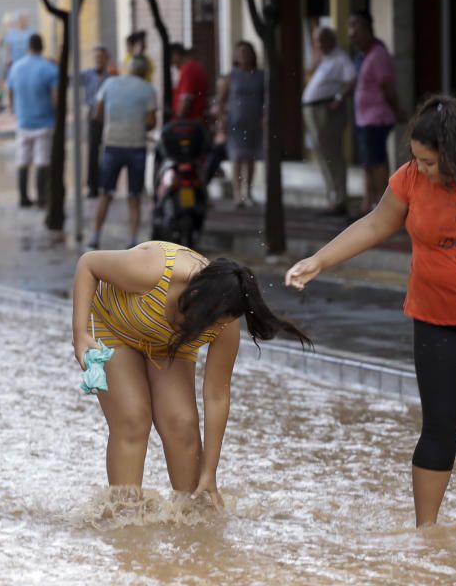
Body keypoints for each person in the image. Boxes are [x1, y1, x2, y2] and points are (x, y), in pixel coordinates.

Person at [285, 96, 456, 528]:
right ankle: (427, 532)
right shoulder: (411, 179)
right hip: (437, 322)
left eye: (431, 162)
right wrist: (319, 260)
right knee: (440, 426)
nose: (422, 169)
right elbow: (375, 224)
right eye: (416, 160)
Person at [72, 241, 311, 503]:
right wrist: (80, 334)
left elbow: (216, 396)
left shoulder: (223, 325)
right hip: (116, 323)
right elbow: (89, 264)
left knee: (182, 423)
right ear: (195, 295)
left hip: (169, 344)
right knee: (133, 418)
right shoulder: (154, 270)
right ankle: (123, 515)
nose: (207, 330)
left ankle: (193, 508)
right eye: (203, 321)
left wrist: (210, 473)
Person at [88, 55, 157, 250]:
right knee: (134, 196)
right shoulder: (148, 89)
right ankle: (132, 240)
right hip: (136, 147)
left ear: (129, 68)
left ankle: (95, 236)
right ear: (145, 72)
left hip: (112, 145)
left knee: (105, 194)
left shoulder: (110, 83)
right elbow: (151, 122)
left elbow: (97, 113)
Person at [348, 11, 405, 216]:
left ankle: (383, 205)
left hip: (376, 117)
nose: (351, 32)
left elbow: (387, 86)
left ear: (367, 29)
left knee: (377, 162)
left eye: (355, 26)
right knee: (368, 162)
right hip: (363, 118)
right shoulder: (362, 56)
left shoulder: (378, 54)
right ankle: (368, 203)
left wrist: (398, 110)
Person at [302, 27, 357, 217]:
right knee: (323, 155)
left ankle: (339, 199)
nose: (319, 45)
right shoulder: (326, 60)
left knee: (332, 154)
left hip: (325, 110)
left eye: (322, 40)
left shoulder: (341, 59)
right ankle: (332, 198)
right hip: (313, 110)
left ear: (331, 40)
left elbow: (351, 79)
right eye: (317, 41)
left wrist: (339, 98)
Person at [6, 33, 59, 208]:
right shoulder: (49, 69)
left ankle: (23, 198)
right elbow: (55, 98)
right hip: (44, 122)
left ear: (28, 47)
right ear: (42, 47)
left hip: (23, 122)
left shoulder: (16, 67)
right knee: (42, 161)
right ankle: (42, 199)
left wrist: (13, 109)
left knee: (23, 160)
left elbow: (10, 92)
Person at [216, 41, 264, 208]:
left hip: (254, 122)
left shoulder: (260, 76)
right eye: (240, 53)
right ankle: (238, 194)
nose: (244, 56)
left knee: (250, 158)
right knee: (237, 158)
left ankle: (248, 192)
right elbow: (221, 101)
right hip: (235, 123)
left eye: (247, 52)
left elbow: (266, 99)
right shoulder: (231, 77)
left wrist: (264, 117)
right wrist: (221, 120)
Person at [81, 45, 115, 199]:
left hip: (109, 118)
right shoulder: (88, 74)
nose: (99, 60)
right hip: (94, 117)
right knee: (93, 152)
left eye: (102, 57)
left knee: (109, 152)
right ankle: (92, 187)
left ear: (107, 59)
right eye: (96, 57)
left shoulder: (112, 77)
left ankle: (107, 186)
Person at [170, 43, 209, 122]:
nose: (173, 65)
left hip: (187, 126)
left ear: (176, 55)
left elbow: (185, 100)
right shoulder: (196, 68)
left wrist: (177, 119)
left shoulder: (188, 70)